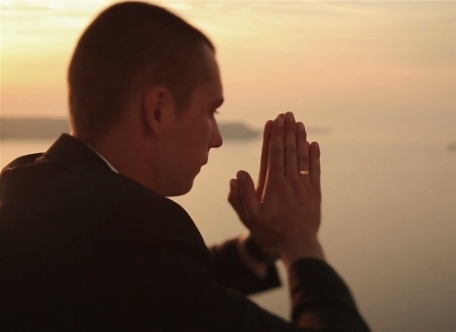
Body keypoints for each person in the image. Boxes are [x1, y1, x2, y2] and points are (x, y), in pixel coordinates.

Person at [0, 2, 370, 331]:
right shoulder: (137, 233)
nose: (217, 138)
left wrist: (258, 247)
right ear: (158, 109)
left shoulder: (29, 188)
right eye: (211, 110)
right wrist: (300, 243)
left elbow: (161, 290)